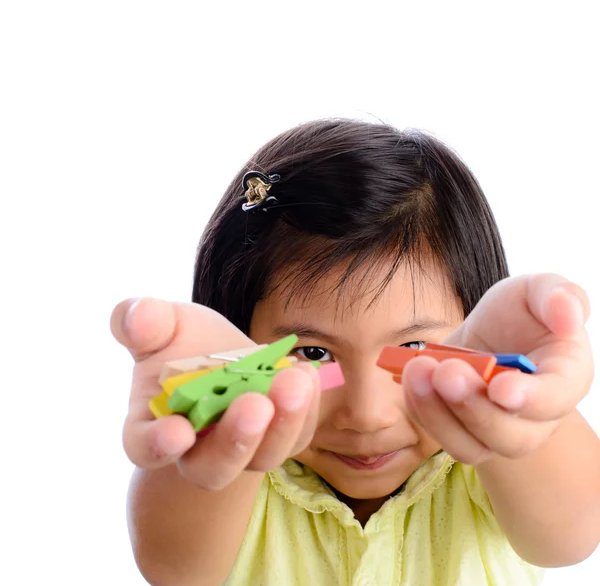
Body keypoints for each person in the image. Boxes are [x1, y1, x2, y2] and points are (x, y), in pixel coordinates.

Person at [112, 119, 599, 586]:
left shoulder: (483, 463)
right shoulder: (242, 472)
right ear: (240, 338)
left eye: (412, 348)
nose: (367, 415)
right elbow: (175, 569)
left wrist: (520, 406)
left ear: (475, 330)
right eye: (315, 354)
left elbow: (571, 537)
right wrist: (212, 414)